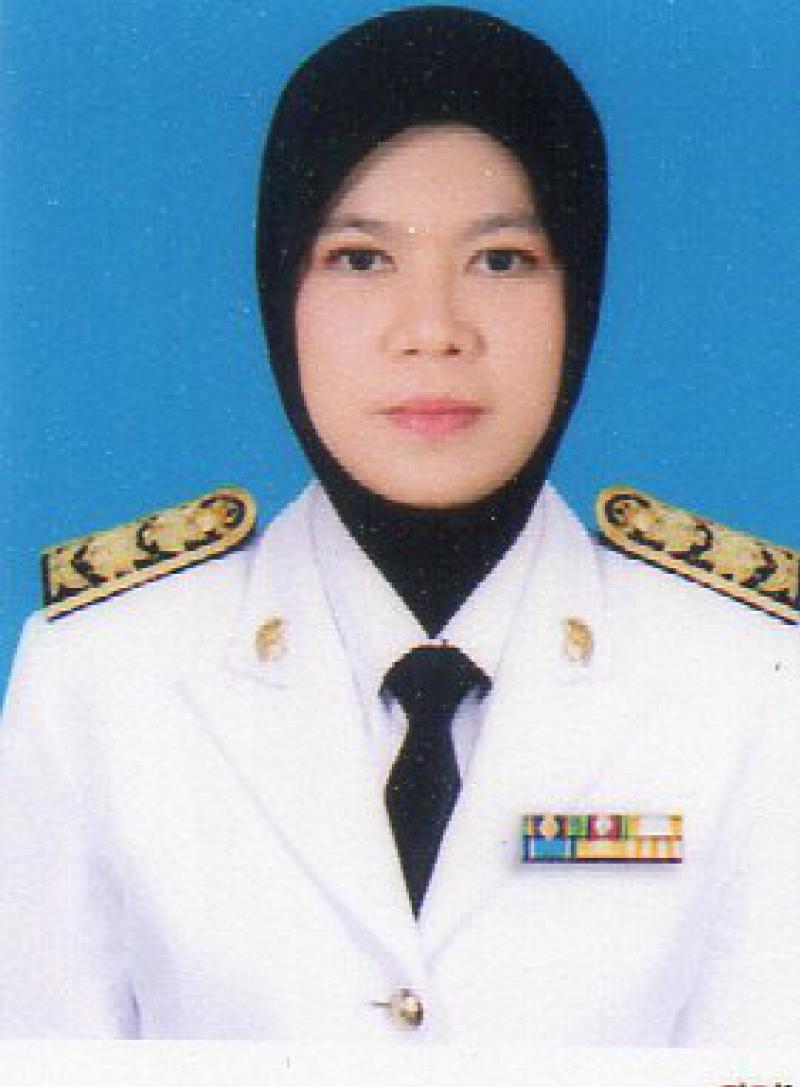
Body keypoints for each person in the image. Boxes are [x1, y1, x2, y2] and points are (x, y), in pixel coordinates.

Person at [1, 5, 798, 1044]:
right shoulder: (103, 677)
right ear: (279, 286)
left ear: (581, 289)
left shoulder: (746, 680)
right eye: (359, 259)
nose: (432, 331)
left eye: (501, 260)